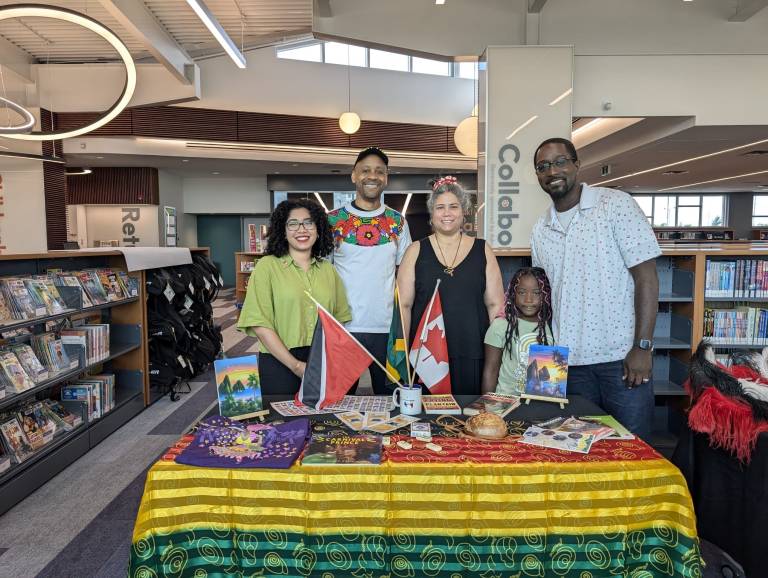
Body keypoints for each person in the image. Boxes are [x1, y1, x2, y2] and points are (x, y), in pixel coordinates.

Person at [530, 137, 660, 440]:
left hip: (620, 361)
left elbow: (647, 278)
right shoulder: (540, 228)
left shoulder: (615, 205)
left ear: (577, 164)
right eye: (543, 166)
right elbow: (544, 299)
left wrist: (642, 347)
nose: (552, 171)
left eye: (560, 161)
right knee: (569, 453)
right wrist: (542, 371)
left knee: (632, 450)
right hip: (562, 363)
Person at [398, 176, 505, 395]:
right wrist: (403, 352)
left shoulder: (483, 250)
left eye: (453, 206)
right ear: (432, 213)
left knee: (470, 419)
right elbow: (404, 306)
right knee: (427, 423)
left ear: (463, 210)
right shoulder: (415, 251)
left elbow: (495, 306)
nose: (447, 213)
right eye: (440, 207)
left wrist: (498, 355)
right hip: (425, 356)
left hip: (473, 352)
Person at [237, 198, 351, 395]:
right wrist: (297, 366)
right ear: (283, 230)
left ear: (318, 228)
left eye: (308, 222)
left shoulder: (328, 270)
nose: (302, 229)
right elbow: (260, 325)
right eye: (293, 224)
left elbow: (338, 321)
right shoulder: (267, 267)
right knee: (281, 422)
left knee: (324, 419)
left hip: (322, 359)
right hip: (279, 359)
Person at [328, 147, 412, 394]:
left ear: (386, 178)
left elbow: (405, 277)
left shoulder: (397, 222)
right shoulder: (333, 221)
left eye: (379, 171)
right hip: (344, 327)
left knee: (391, 400)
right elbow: (322, 275)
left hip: (387, 328)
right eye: (365, 170)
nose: (372, 176)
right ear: (354, 175)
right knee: (339, 401)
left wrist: (405, 325)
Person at [481, 267, 554, 397]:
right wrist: (488, 407)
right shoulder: (500, 326)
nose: (528, 300)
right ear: (512, 294)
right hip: (505, 405)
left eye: (536, 293)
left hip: (539, 403)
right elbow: (490, 371)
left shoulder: (548, 326)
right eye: (522, 292)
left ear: (545, 295)